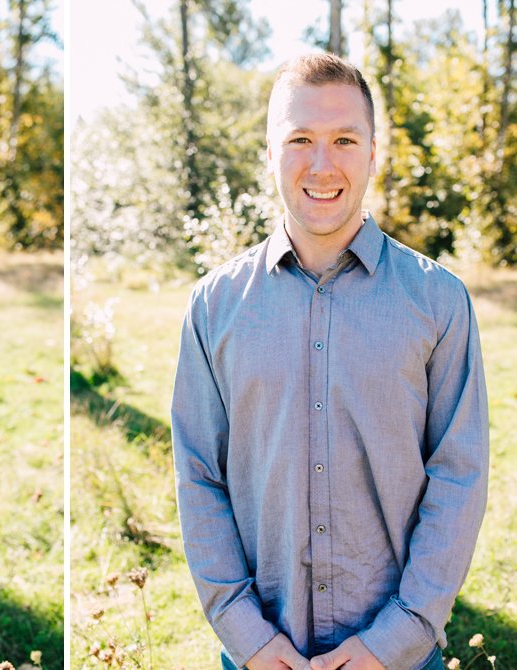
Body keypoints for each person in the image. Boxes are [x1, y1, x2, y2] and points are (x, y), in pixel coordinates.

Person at [171, 53, 488, 670]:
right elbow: (197, 476)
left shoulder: (439, 301)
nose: (323, 163)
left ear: (373, 153)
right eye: (300, 140)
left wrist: (393, 640)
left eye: (345, 138)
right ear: (270, 154)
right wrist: (249, 639)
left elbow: (459, 479)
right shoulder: (213, 307)